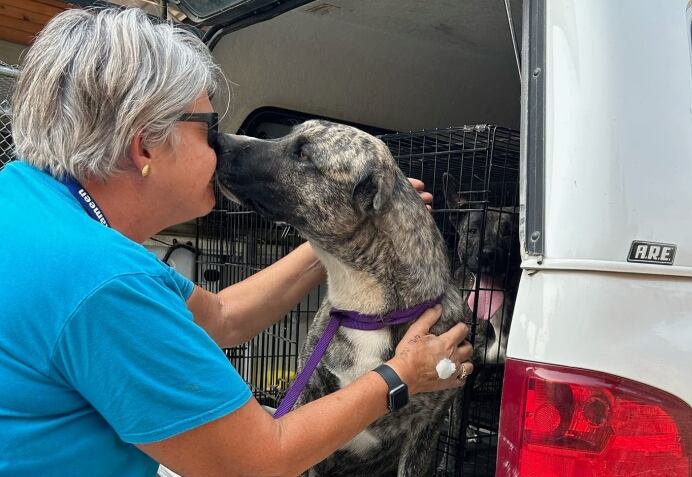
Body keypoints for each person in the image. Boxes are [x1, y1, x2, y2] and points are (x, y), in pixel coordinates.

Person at [0, 7, 473, 477]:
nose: (223, 141)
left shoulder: (27, 203)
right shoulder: (104, 282)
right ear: (145, 145)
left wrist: (345, 234)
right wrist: (401, 375)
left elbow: (222, 317)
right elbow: (257, 463)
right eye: (208, 127)